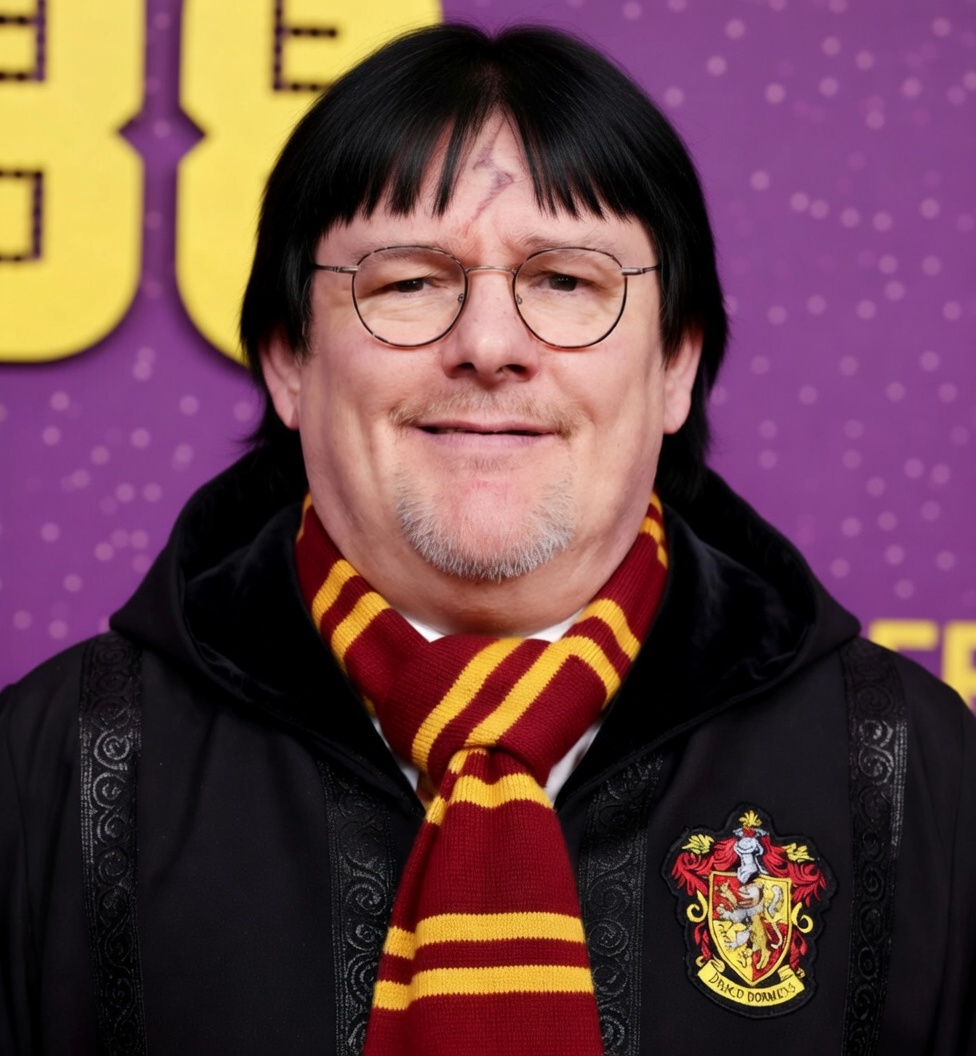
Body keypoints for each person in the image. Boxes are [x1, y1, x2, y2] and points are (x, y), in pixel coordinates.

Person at [1, 23, 973, 1056]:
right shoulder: (57, 770)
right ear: (287, 360)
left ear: (676, 365)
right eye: (409, 281)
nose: (490, 345)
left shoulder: (907, 774)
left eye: (566, 282)